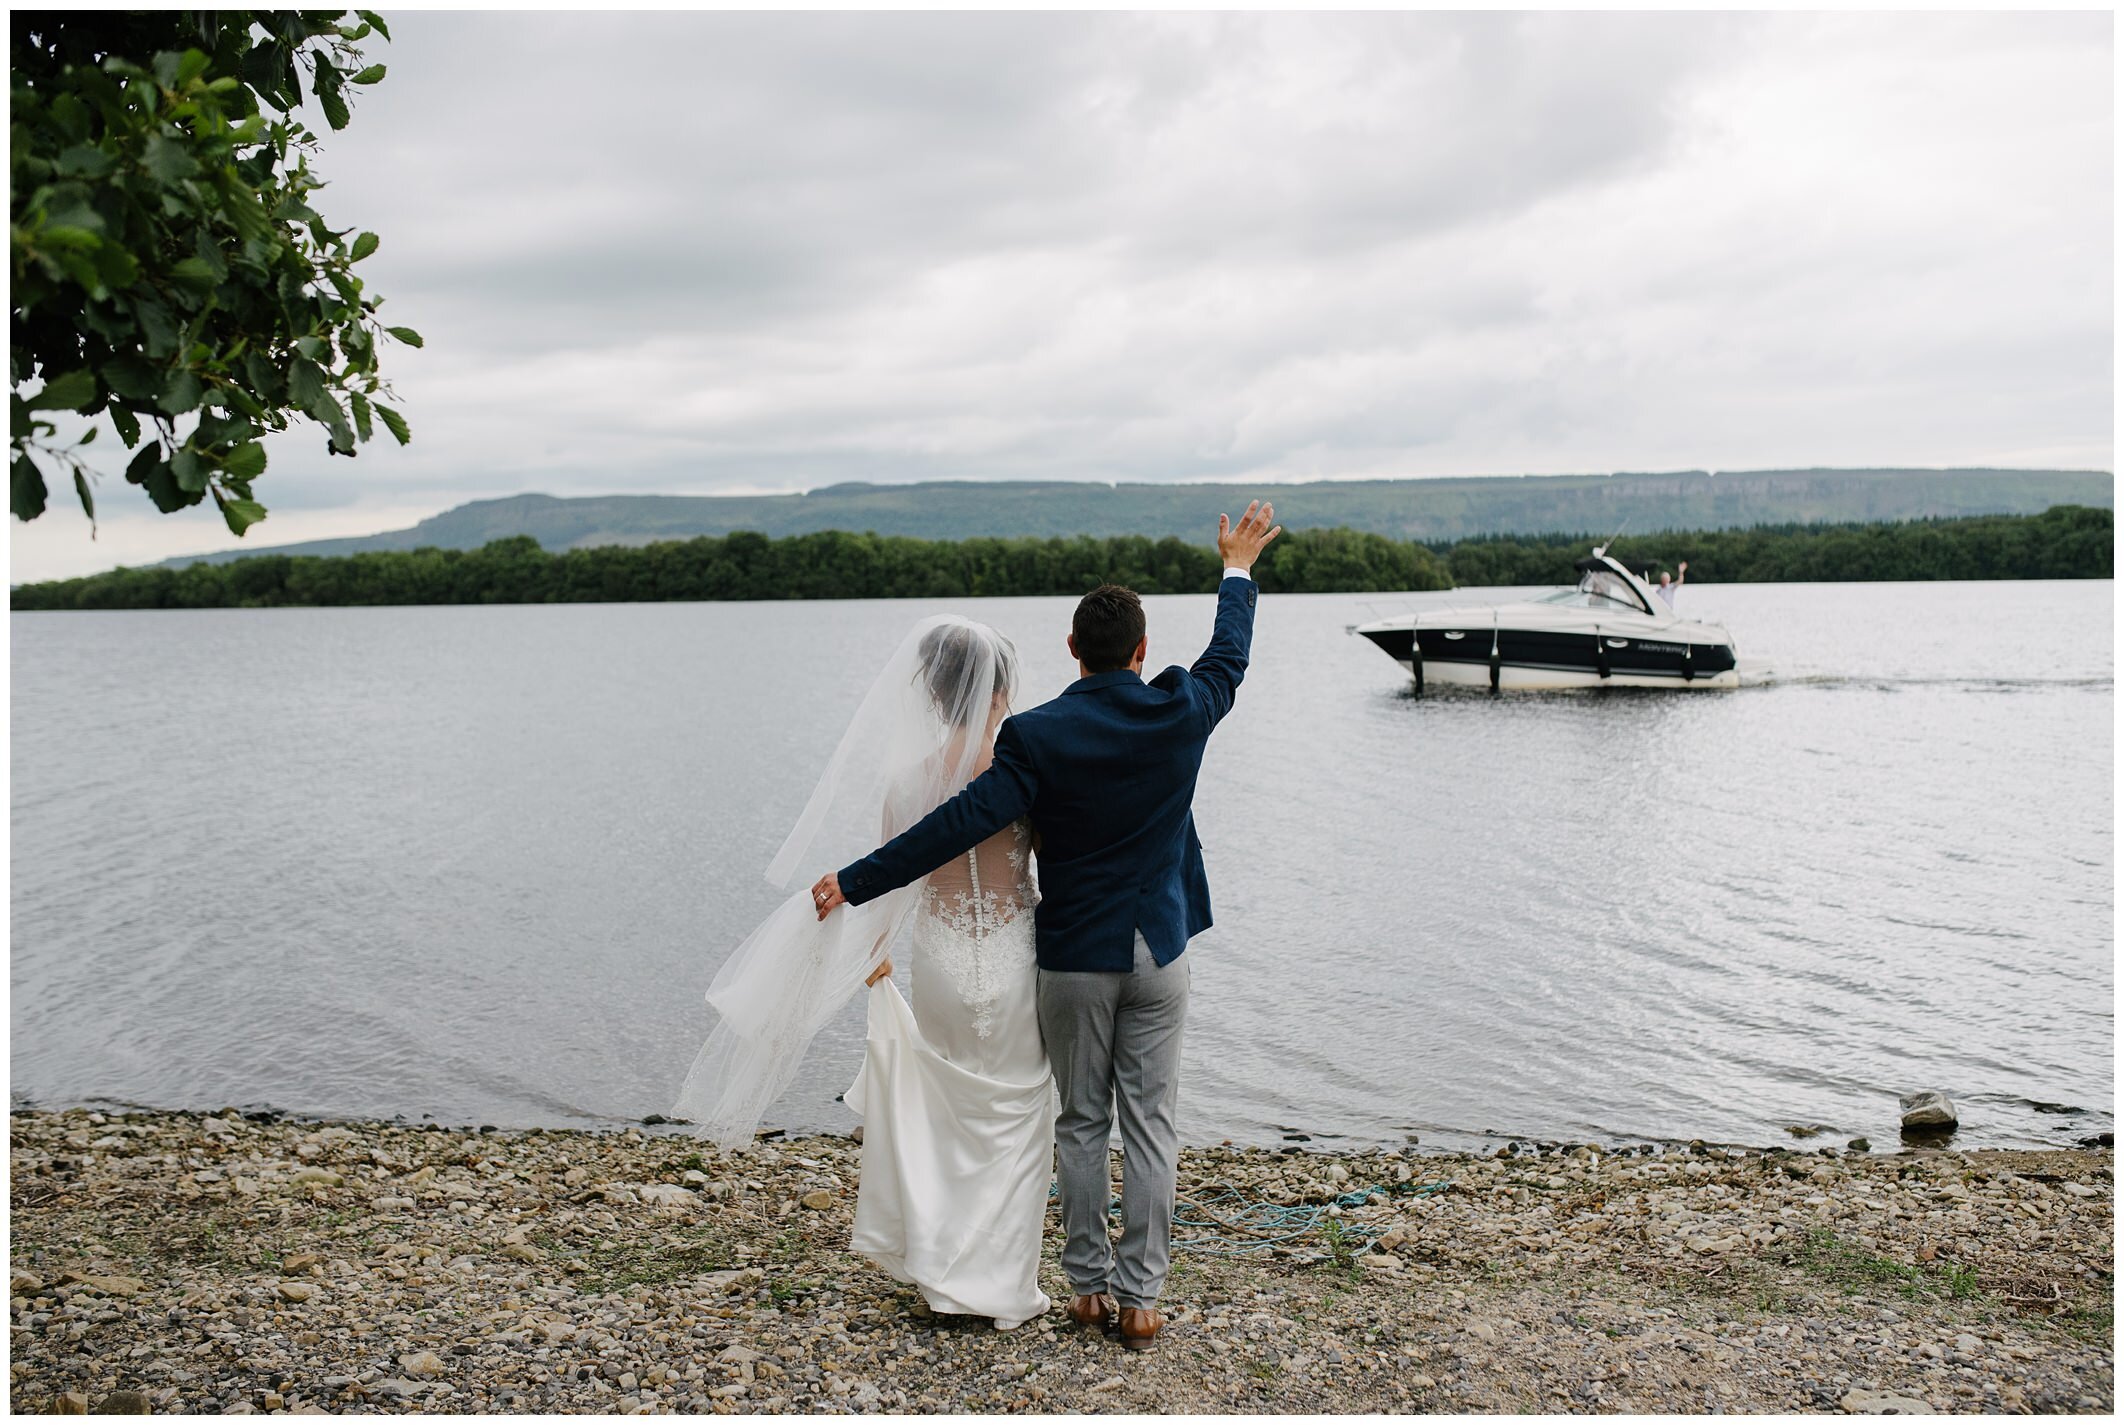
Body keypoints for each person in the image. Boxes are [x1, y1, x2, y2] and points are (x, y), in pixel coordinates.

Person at [812, 499, 1283, 1353]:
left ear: (1072, 651)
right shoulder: (1182, 708)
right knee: (1151, 1122)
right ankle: (1141, 1299)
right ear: (1142, 653)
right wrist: (1236, 569)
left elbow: (950, 827)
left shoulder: (1035, 735)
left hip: (1070, 957)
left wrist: (854, 880)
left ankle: (1088, 1289)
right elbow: (1229, 659)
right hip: (1159, 953)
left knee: (1078, 1122)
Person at [673, 615, 1052, 1329]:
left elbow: (894, 880)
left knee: (947, 1114)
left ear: (935, 694)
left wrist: (872, 959)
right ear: (999, 686)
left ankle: (946, 1274)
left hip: (939, 954)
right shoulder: (1027, 769)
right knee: (1019, 1111)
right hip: (1011, 949)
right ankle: (1004, 1284)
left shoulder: (910, 780)